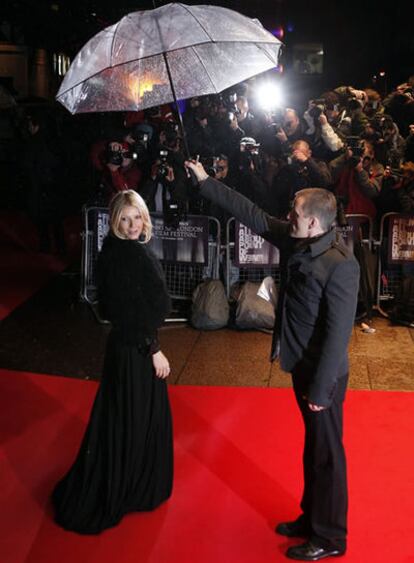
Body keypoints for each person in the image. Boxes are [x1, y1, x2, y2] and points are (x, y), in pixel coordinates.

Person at [185, 160, 360, 561]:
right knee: (313, 449)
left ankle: (330, 538)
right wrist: (207, 182)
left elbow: (337, 336)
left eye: (295, 214)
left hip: (324, 375)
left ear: (314, 224)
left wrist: (321, 388)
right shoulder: (297, 239)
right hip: (301, 364)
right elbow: (252, 214)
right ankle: (310, 517)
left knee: (327, 454)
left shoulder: (341, 264)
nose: (288, 217)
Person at [52, 190, 173, 534]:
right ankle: (126, 487)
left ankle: (133, 485)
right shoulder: (122, 255)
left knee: (131, 419)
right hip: (135, 350)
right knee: (133, 420)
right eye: (125, 219)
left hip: (130, 347)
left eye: (136, 217)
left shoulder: (123, 250)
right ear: (115, 221)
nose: (132, 224)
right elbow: (124, 311)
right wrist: (153, 349)